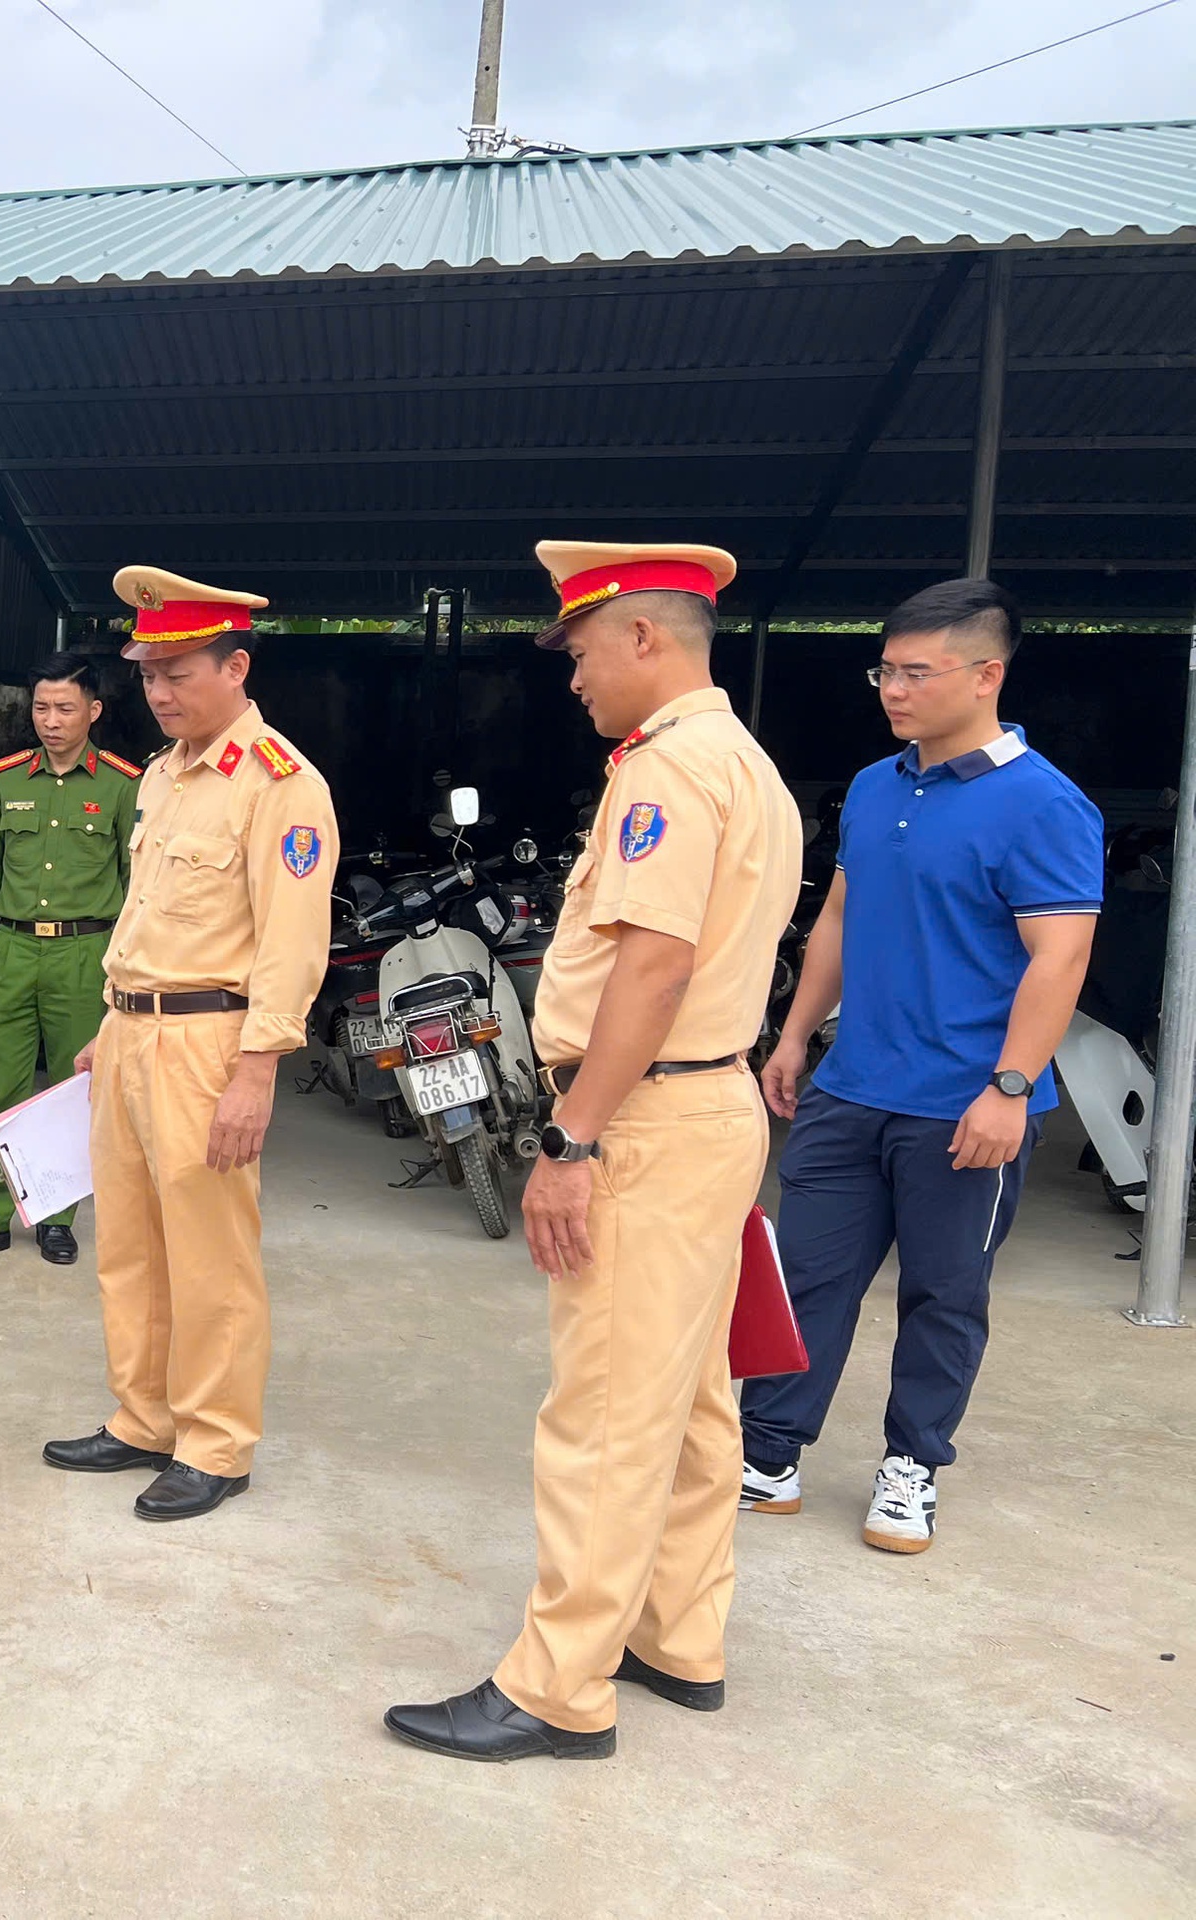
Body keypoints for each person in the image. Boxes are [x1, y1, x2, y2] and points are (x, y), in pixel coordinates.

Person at [387, 540, 801, 1763]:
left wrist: (569, 1140)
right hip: (707, 1111)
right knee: (690, 1399)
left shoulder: (666, 774)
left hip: (646, 1119)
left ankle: (558, 1686)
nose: (568, 676)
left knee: (607, 1410)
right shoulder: (748, 767)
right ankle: (678, 1633)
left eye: (576, 650)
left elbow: (654, 967)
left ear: (640, 638)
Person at [742, 580, 1100, 1553]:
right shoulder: (872, 786)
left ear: (986, 675)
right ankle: (768, 1450)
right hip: (849, 1087)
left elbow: (1057, 958)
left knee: (943, 1295)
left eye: (914, 672)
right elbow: (839, 918)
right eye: (883, 670)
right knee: (805, 1279)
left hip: (966, 1106)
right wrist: (791, 1035)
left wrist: (1010, 1088)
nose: (891, 689)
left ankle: (911, 1466)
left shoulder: (1044, 806)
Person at [40, 567, 337, 1522]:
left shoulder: (282, 786)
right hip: (131, 1032)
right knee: (128, 1243)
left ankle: (215, 1441)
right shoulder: (165, 776)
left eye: (178, 673)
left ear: (236, 666)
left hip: (212, 1044)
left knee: (210, 1255)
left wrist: (259, 1070)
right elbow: (148, 914)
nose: (158, 693)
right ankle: (144, 1417)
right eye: (148, 674)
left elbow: (292, 946)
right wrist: (107, 1028)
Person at [0, 652, 142, 1267]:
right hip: (12, 949)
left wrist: (124, 967)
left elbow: (136, 884)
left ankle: (58, 1217)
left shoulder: (121, 784)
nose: (51, 720)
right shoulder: (5, 782)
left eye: (65, 707)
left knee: (73, 1089)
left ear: (94, 710)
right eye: (41, 707)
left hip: (87, 953)